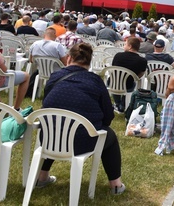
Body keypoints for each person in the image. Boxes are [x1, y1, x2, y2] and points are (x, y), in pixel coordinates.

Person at [37, 43, 125, 195]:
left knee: (59, 126)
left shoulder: (55, 76)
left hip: (49, 138)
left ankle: (42, 176)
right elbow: (108, 115)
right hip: (82, 142)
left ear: (69, 58)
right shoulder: (95, 81)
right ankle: (115, 185)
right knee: (109, 135)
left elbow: (46, 103)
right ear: (89, 62)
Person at [111, 36, 147, 109]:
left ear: (130, 46)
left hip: (114, 83)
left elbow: (113, 68)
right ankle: (123, 104)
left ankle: (117, 104)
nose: (124, 46)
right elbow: (140, 75)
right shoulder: (142, 60)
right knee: (132, 83)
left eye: (125, 44)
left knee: (115, 82)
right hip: (128, 85)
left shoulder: (118, 56)